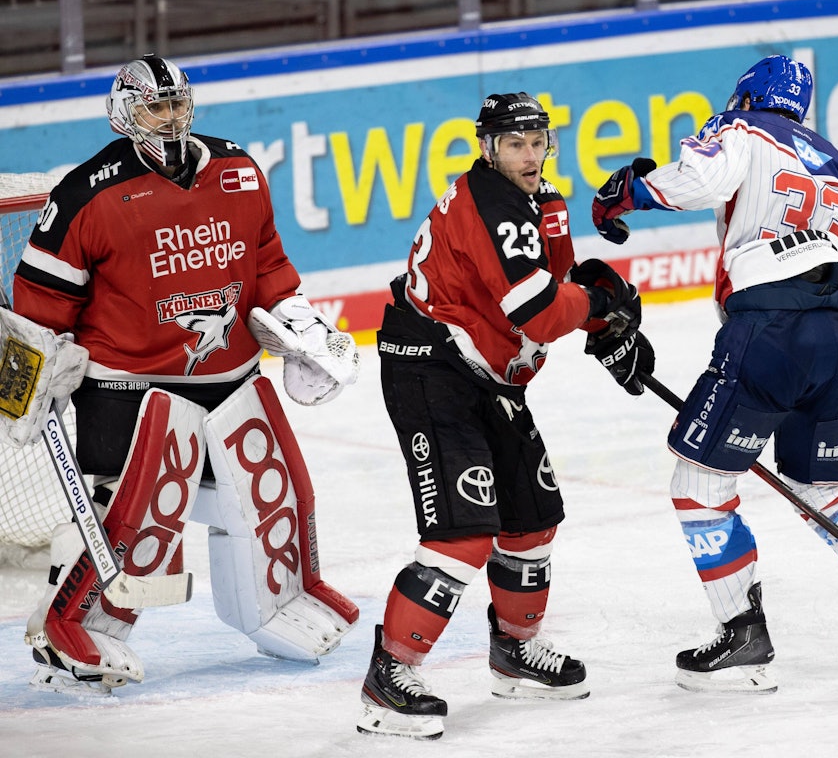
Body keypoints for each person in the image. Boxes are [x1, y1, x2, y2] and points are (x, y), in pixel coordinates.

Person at [7, 54, 362, 695]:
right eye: (152, 106)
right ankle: (77, 625)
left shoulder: (238, 170)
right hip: (130, 386)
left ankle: (278, 603)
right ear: (125, 111)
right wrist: (37, 365)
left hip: (231, 376)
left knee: (269, 493)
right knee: (144, 516)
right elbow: (38, 298)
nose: (166, 119)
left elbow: (268, 263)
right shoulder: (88, 192)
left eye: (174, 105)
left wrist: (299, 325)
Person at [588, 55, 838, 693]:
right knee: (826, 489)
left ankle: (742, 634)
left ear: (748, 94)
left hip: (767, 335)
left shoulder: (740, 127)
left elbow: (694, 181)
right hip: (837, 339)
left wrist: (626, 193)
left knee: (699, 486)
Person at [358, 91, 651, 739]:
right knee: (461, 535)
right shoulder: (491, 203)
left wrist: (602, 314)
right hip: (431, 369)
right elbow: (542, 313)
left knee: (530, 521)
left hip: (487, 375)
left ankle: (514, 655)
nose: (529, 154)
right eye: (514, 143)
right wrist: (598, 305)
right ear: (488, 148)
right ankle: (388, 678)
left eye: (537, 141)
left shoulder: (542, 202)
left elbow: (557, 285)